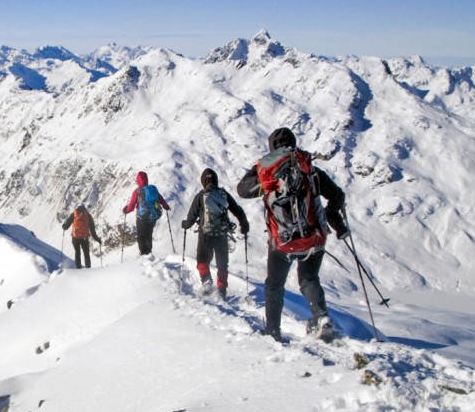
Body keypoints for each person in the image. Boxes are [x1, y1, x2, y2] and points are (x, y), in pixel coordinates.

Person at [236, 127, 349, 342]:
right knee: (309, 279)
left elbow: (242, 190)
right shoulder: (309, 167)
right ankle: (321, 317)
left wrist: (267, 184)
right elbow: (337, 195)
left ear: (272, 146)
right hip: (314, 237)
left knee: (274, 285)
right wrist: (332, 217)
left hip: (282, 241)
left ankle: (272, 331)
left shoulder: (265, 167)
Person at [181, 168, 249, 299]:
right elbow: (237, 210)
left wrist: (185, 224)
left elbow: (191, 217)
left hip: (205, 234)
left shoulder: (201, 196)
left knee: (202, 259)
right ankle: (221, 289)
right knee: (222, 263)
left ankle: (206, 281)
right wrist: (244, 224)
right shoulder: (224, 194)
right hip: (221, 234)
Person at [123, 171, 170, 256]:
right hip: (153, 216)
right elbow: (161, 199)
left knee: (141, 236)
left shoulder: (137, 191)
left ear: (138, 181)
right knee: (148, 234)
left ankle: (144, 254)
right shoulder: (152, 189)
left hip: (141, 217)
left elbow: (131, 206)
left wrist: (126, 210)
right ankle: (149, 252)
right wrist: (165, 206)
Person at [62, 204, 102, 269]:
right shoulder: (88, 216)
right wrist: (98, 240)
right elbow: (92, 231)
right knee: (86, 255)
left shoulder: (74, 214)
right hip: (84, 238)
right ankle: (88, 269)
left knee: (77, 253)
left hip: (75, 238)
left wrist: (63, 226)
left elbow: (66, 227)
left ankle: (78, 270)